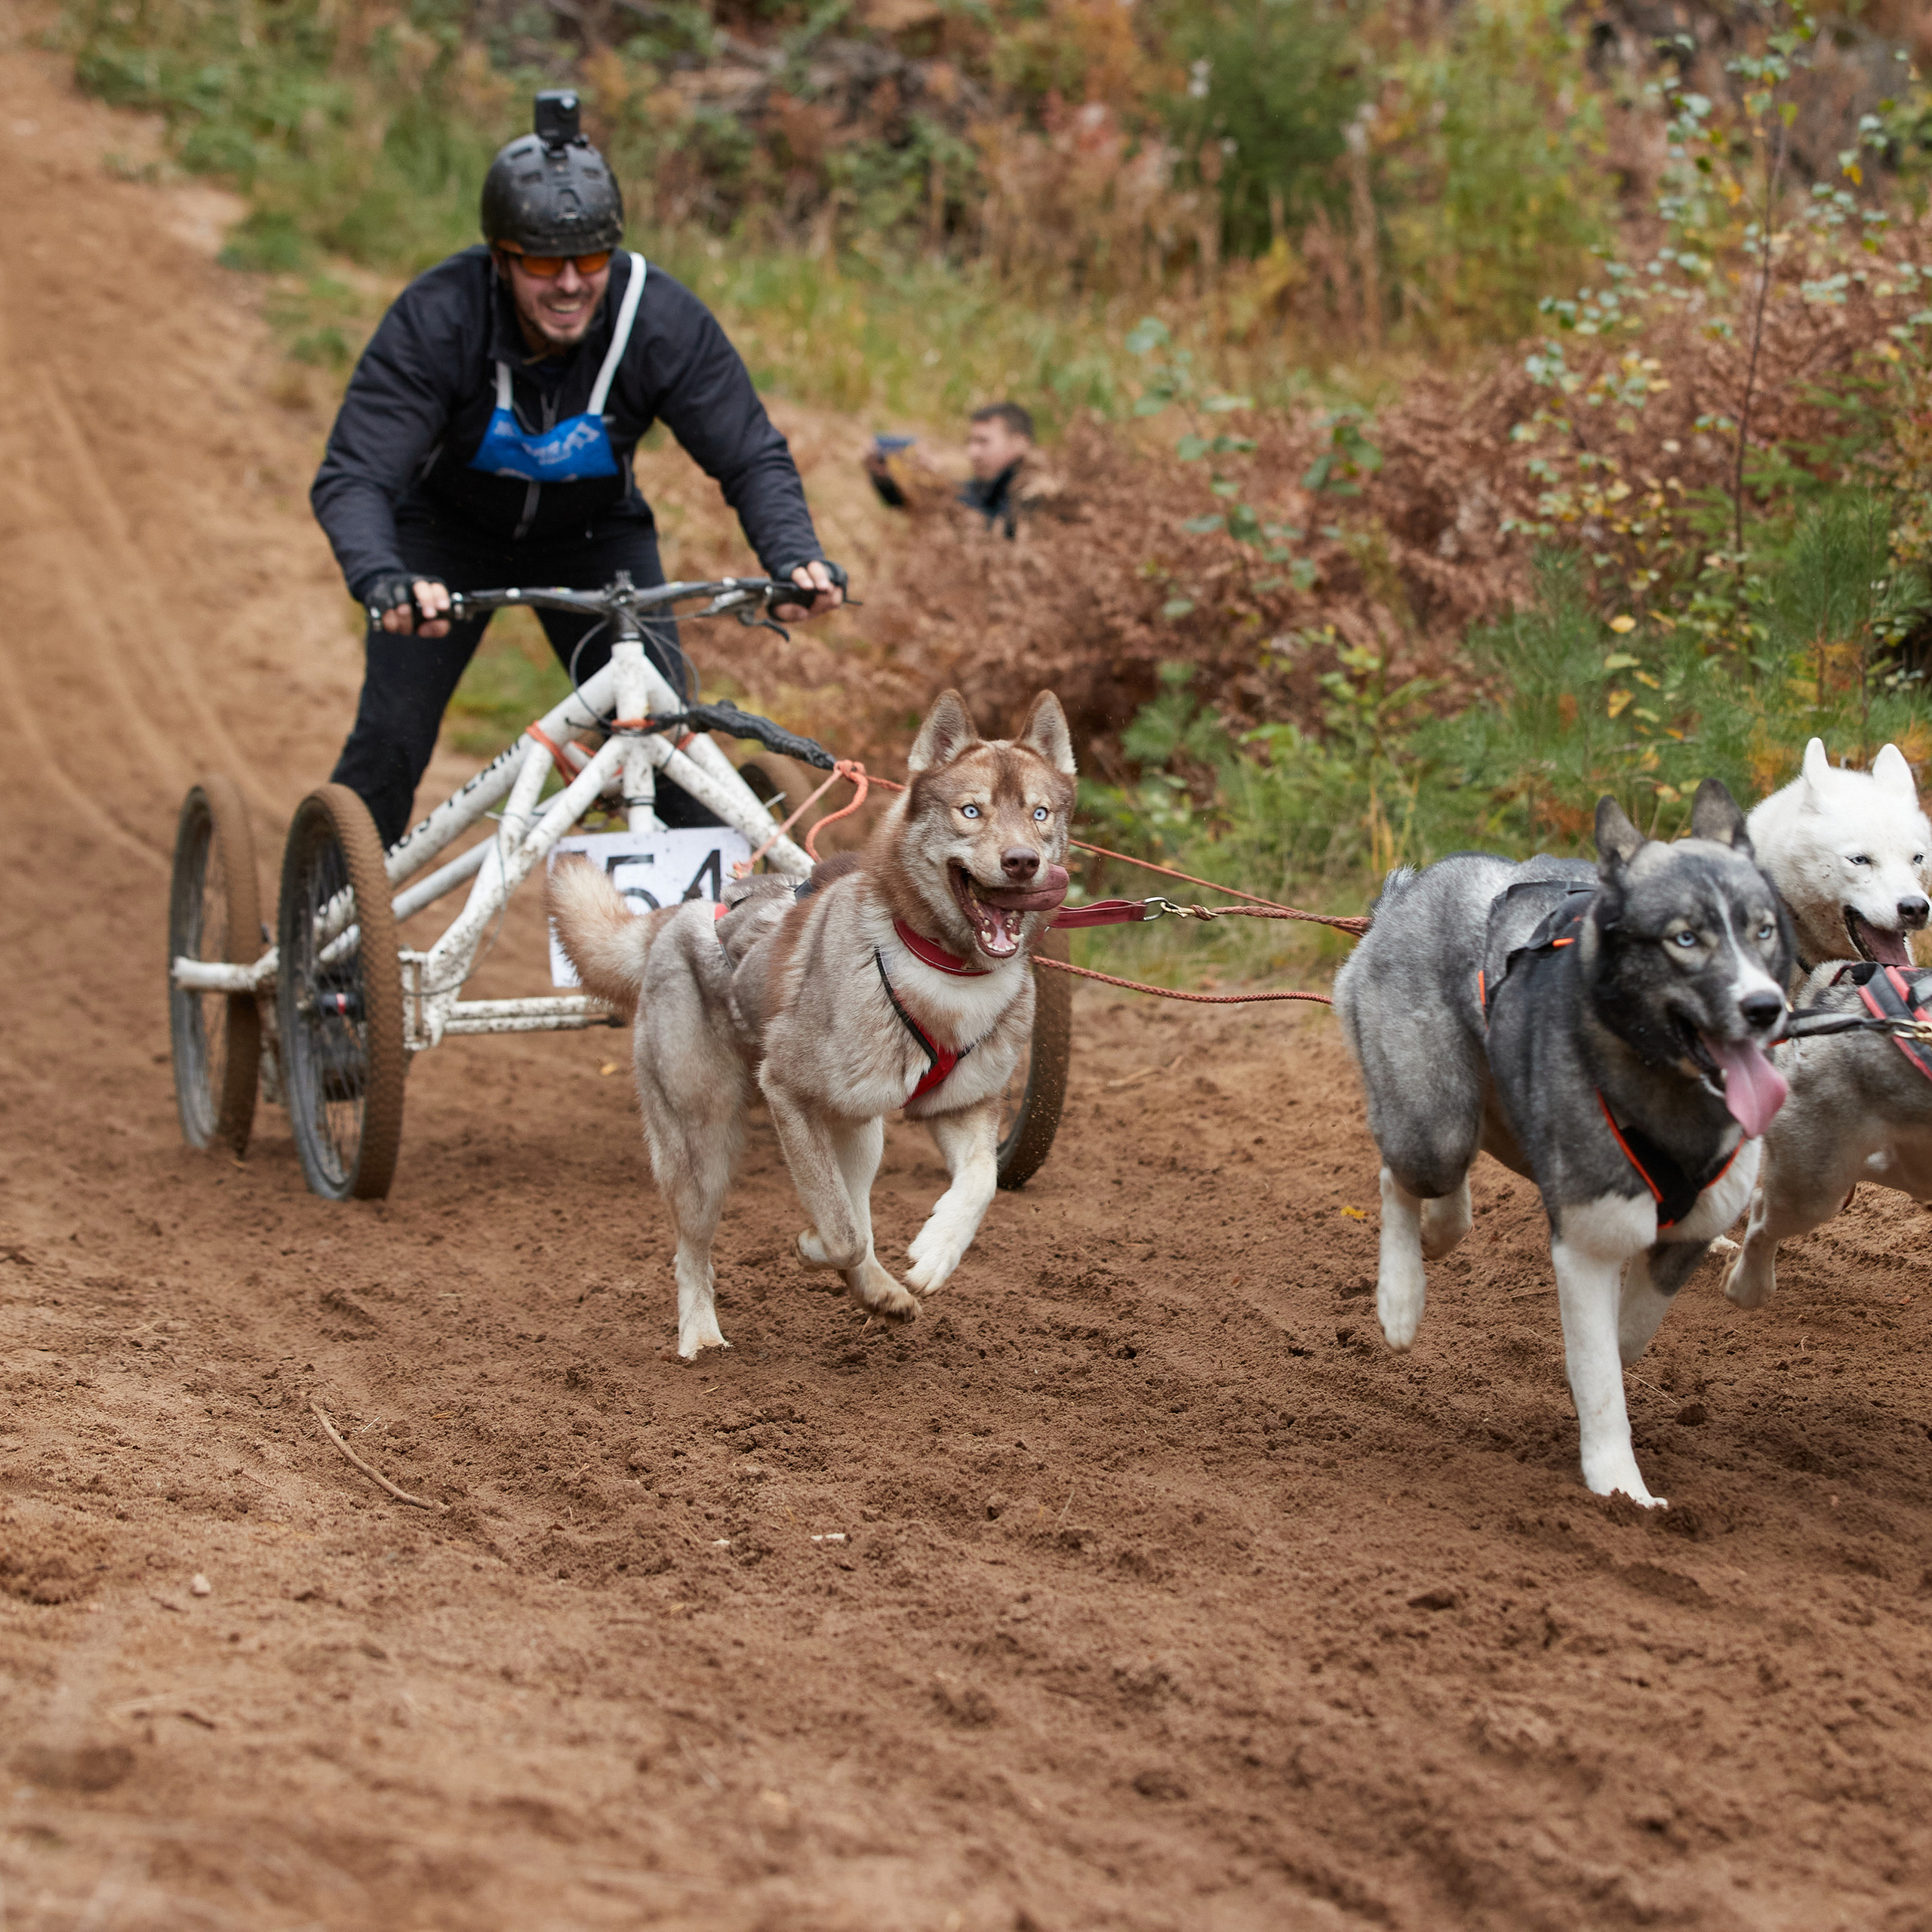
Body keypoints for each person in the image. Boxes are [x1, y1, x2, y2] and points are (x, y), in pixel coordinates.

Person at [310, 89, 845, 848]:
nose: (569, 284)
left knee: (664, 734)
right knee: (393, 736)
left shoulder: (658, 320)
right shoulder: (439, 318)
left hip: (594, 537)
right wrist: (382, 575)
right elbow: (355, 474)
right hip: (442, 540)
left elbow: (748, 451)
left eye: (589, 258)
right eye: (543, 263)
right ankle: (332, 935)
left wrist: (794, 554)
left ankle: (703, 942)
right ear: (502, 261)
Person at [863, 401, 1035, 540]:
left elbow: (1000, 531)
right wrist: (883, 477)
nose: (972, 452)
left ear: (1019, 442)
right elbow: (919, 506)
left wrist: (941, 483)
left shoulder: (1041, 488)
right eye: (971, 442)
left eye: (983, 442)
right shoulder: (986, 484)